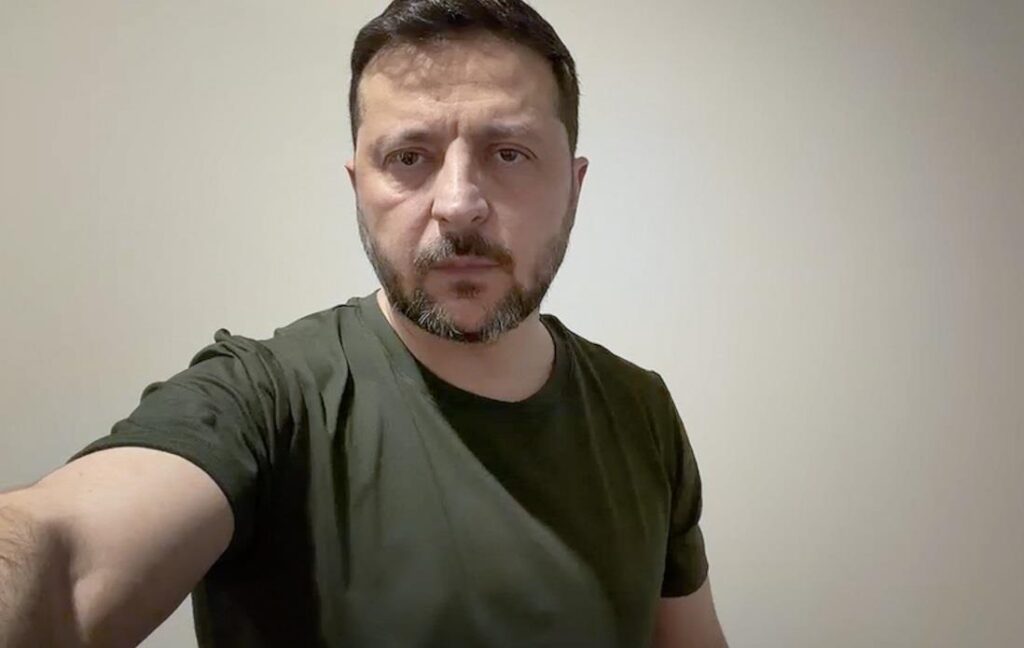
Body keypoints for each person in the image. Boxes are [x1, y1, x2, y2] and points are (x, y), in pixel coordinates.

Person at [0, 1, 728, 646]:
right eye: (409, 157)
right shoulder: (264, 402)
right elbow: (62, 562)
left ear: (573, 186)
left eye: (509, 153)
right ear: (359, 187)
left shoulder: (641, 410)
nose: (458, 205)